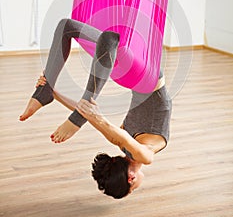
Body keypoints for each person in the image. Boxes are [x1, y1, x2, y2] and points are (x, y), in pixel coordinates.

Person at [20, 18, 172, 199]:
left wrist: (56, 93)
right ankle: (73, 116)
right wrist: (92, 120)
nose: (135, 187)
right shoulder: (141, 152)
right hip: (146, 76)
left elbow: (94, 116)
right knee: (109, 38)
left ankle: (46, 91)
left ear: (130, 178)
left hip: (131, 77)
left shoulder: (125, 144)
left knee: (67, 27)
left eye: (132, 189)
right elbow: (110, 129)